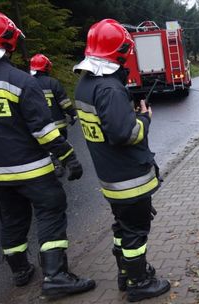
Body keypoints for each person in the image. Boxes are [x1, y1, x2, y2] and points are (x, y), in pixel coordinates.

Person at [0, 11, 95, 297]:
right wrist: (68, 157)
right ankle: (56, 277)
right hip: (33, 170)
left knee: (12, 219)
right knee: (51, 210)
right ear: (9, 42)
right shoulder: (20, 82)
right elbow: (43, 130)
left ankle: (20, 271)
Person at [73, 19, 170, 302]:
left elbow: (106, 128)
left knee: (122, 228)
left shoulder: (85, 85)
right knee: (136, 232)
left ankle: (126, 274)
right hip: (130, 179)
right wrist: (144, 118)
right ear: (119, 51)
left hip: (111, 179)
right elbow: (126, 134)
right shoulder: (109, 89)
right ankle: (139, 282)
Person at [30, 54, 78, 177]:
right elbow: (64, 102)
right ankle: (62, 161)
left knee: (44, 146)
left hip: (40, 126)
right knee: (61, 143)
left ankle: (52, 162)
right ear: (47, 67)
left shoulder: (28, 83)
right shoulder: (53, 83)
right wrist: (72, 114)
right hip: (58, 125)